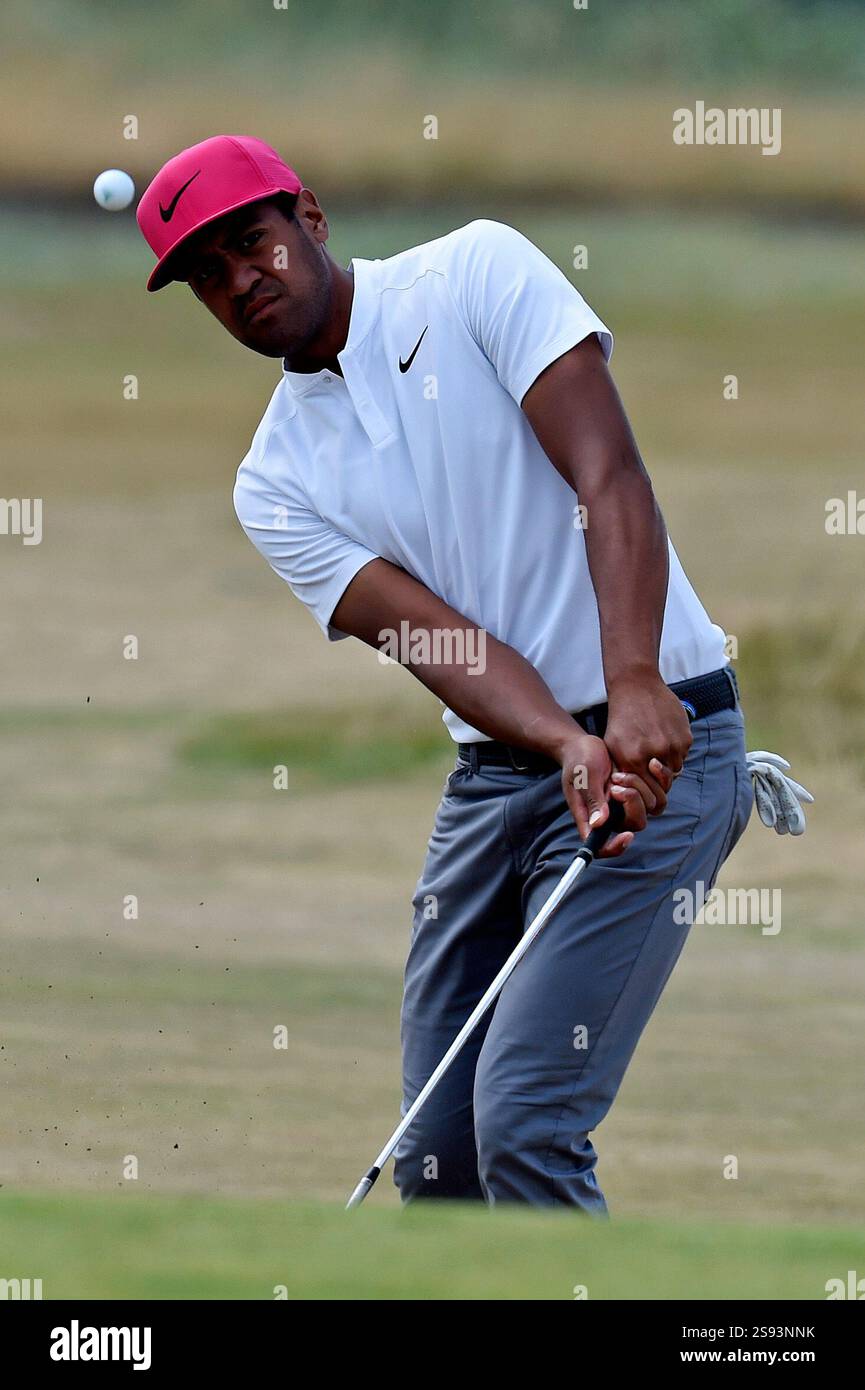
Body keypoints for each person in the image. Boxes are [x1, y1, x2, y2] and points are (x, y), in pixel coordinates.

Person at [137, 135, 755, 1212]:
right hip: (497, 779)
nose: (241, 281)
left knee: (524, 1120)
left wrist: (633, 685)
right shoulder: (275, 480)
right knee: (435, 1162)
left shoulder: (473, 271)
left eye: (251, 245)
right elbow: (439, 643)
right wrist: (565, 741)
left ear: (309, 219)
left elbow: (606, 475)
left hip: (667, 745)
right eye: (208, 275)